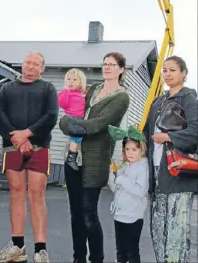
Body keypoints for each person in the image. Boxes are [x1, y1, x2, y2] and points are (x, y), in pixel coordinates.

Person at [59, 52, 130, 263]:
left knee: (89, 213)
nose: (107, 67)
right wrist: (67, 123)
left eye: (112, 64)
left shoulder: (121, 96)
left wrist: (69, 125)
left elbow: (99, 124)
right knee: (75, 213)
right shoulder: (92, 89)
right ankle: (78, 258)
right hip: (73, 156)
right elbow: (68, 114)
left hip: (96, 161)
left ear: (121, 69)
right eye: (105, 64)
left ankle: (96, 259)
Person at [0, 52, 58, 263]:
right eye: (28, 62)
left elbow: (51, 116)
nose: (31, 66)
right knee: (16, 193)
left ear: (42, 68)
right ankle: (18, 247)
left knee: (37, 195)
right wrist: (17, 139)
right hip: (12, 147)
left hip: (39, 147)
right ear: (22, 65)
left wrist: (27, 133)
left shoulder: (48, 89)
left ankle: (41, 250)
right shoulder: (6, 89)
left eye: (36, 63)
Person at [143, 55, 198, 263]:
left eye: (173, 70)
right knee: (158, 233)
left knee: (176, 233)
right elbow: (148, 133)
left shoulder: (189, 99)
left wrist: (169, 136)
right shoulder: (158, 101)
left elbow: (196, 131)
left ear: (184, 73)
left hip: (179, 173)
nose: (167, 74)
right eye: (164, 70)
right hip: (157, 173)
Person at [108, 124, 149, 263]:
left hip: (133, 217)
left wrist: (121, 179)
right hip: (119, 215)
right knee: (120, 252)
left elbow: (140, 191)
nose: (130, 153)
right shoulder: (124, 166)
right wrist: (111, 174)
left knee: (132, 252)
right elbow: (115, 188)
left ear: (141, 150)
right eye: (127, 149)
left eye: (134, 149)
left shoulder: (142, 168)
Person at [58, 68, 86, 170]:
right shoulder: (65, 93)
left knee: (80, 139)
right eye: (69, 79)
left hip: (80, 119)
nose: (71, 82)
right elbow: (62, 104)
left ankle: (76, 157)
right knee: (76, 138)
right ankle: (71, 158)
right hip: (71, 118)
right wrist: (66, 91)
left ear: (80, 82)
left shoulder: (81, 95)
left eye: (74, 80)